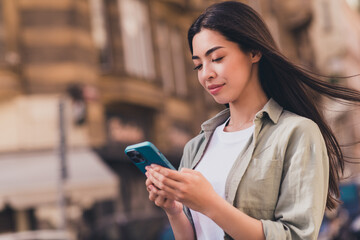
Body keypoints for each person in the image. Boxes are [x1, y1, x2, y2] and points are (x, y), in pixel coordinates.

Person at [145, 1, 360, 239]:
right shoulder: (195, 148)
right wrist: (174, 211)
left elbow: (296, 236)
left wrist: (209, 203)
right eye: (198, 65)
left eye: (216, 58)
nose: (206, 74)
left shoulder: (296, 133)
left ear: (254, 52)